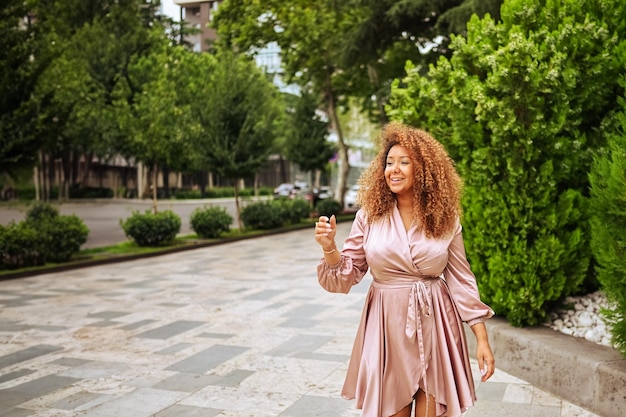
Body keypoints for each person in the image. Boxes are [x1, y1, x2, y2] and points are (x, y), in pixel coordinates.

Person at [314, 122, 495, 417]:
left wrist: (482, 339)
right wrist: (329, 247)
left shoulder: (445, 219)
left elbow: (462, 280)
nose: (393, 169)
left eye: (404, 162)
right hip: (386, 326)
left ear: (423, 169)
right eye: (389, 162)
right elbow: (345, 277)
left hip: (436, 320)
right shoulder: (369, 216)